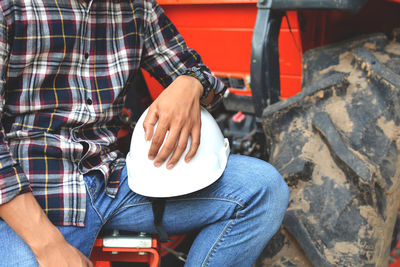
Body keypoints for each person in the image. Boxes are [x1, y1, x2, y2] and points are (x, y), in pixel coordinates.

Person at [0, 0, 290, 266]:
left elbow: (201, 76)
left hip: (111, 181)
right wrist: (48, 245)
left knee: (261, 189)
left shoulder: (136, 7)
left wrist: (190, 84)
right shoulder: (11, 8)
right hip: (30, 196)